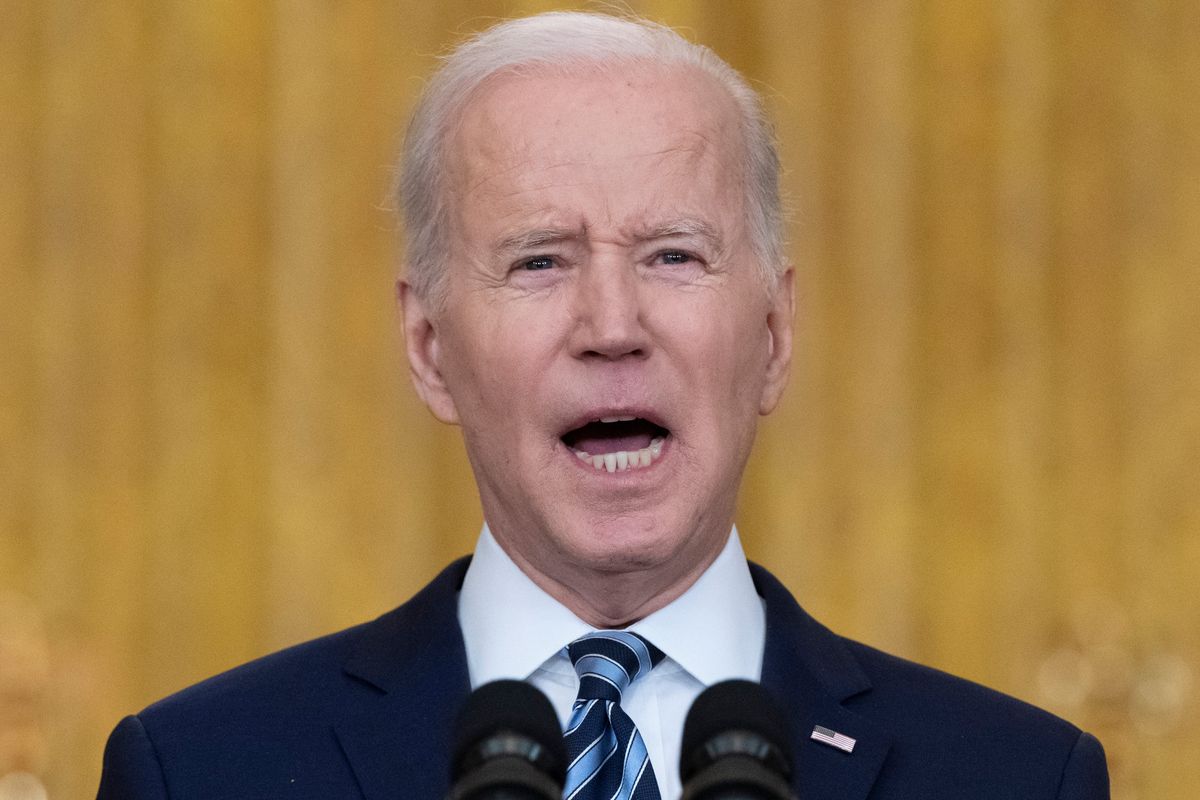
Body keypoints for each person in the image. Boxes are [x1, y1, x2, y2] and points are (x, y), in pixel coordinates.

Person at [97, 11, 1109, 800]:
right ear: (429, 345)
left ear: (772, 333)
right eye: (540, 260)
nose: (612, 322)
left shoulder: (1014, 773)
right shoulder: (202, 765)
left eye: (674, 254)